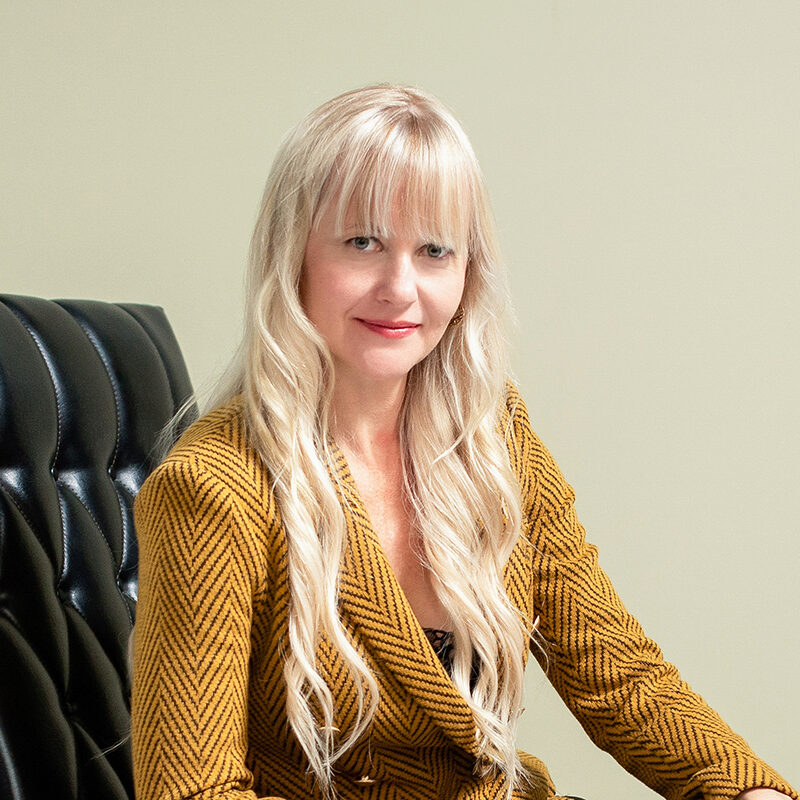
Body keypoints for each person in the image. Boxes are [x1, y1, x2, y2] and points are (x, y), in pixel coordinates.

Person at [130, 84, 797, 800]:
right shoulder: (213, 487)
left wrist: (742, 789)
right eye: (363, 243)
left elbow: (616, 673)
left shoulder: (492, 436)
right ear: (292, 254)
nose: (400, 287)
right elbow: (190, 792)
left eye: (435, 251)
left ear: (466, 270)